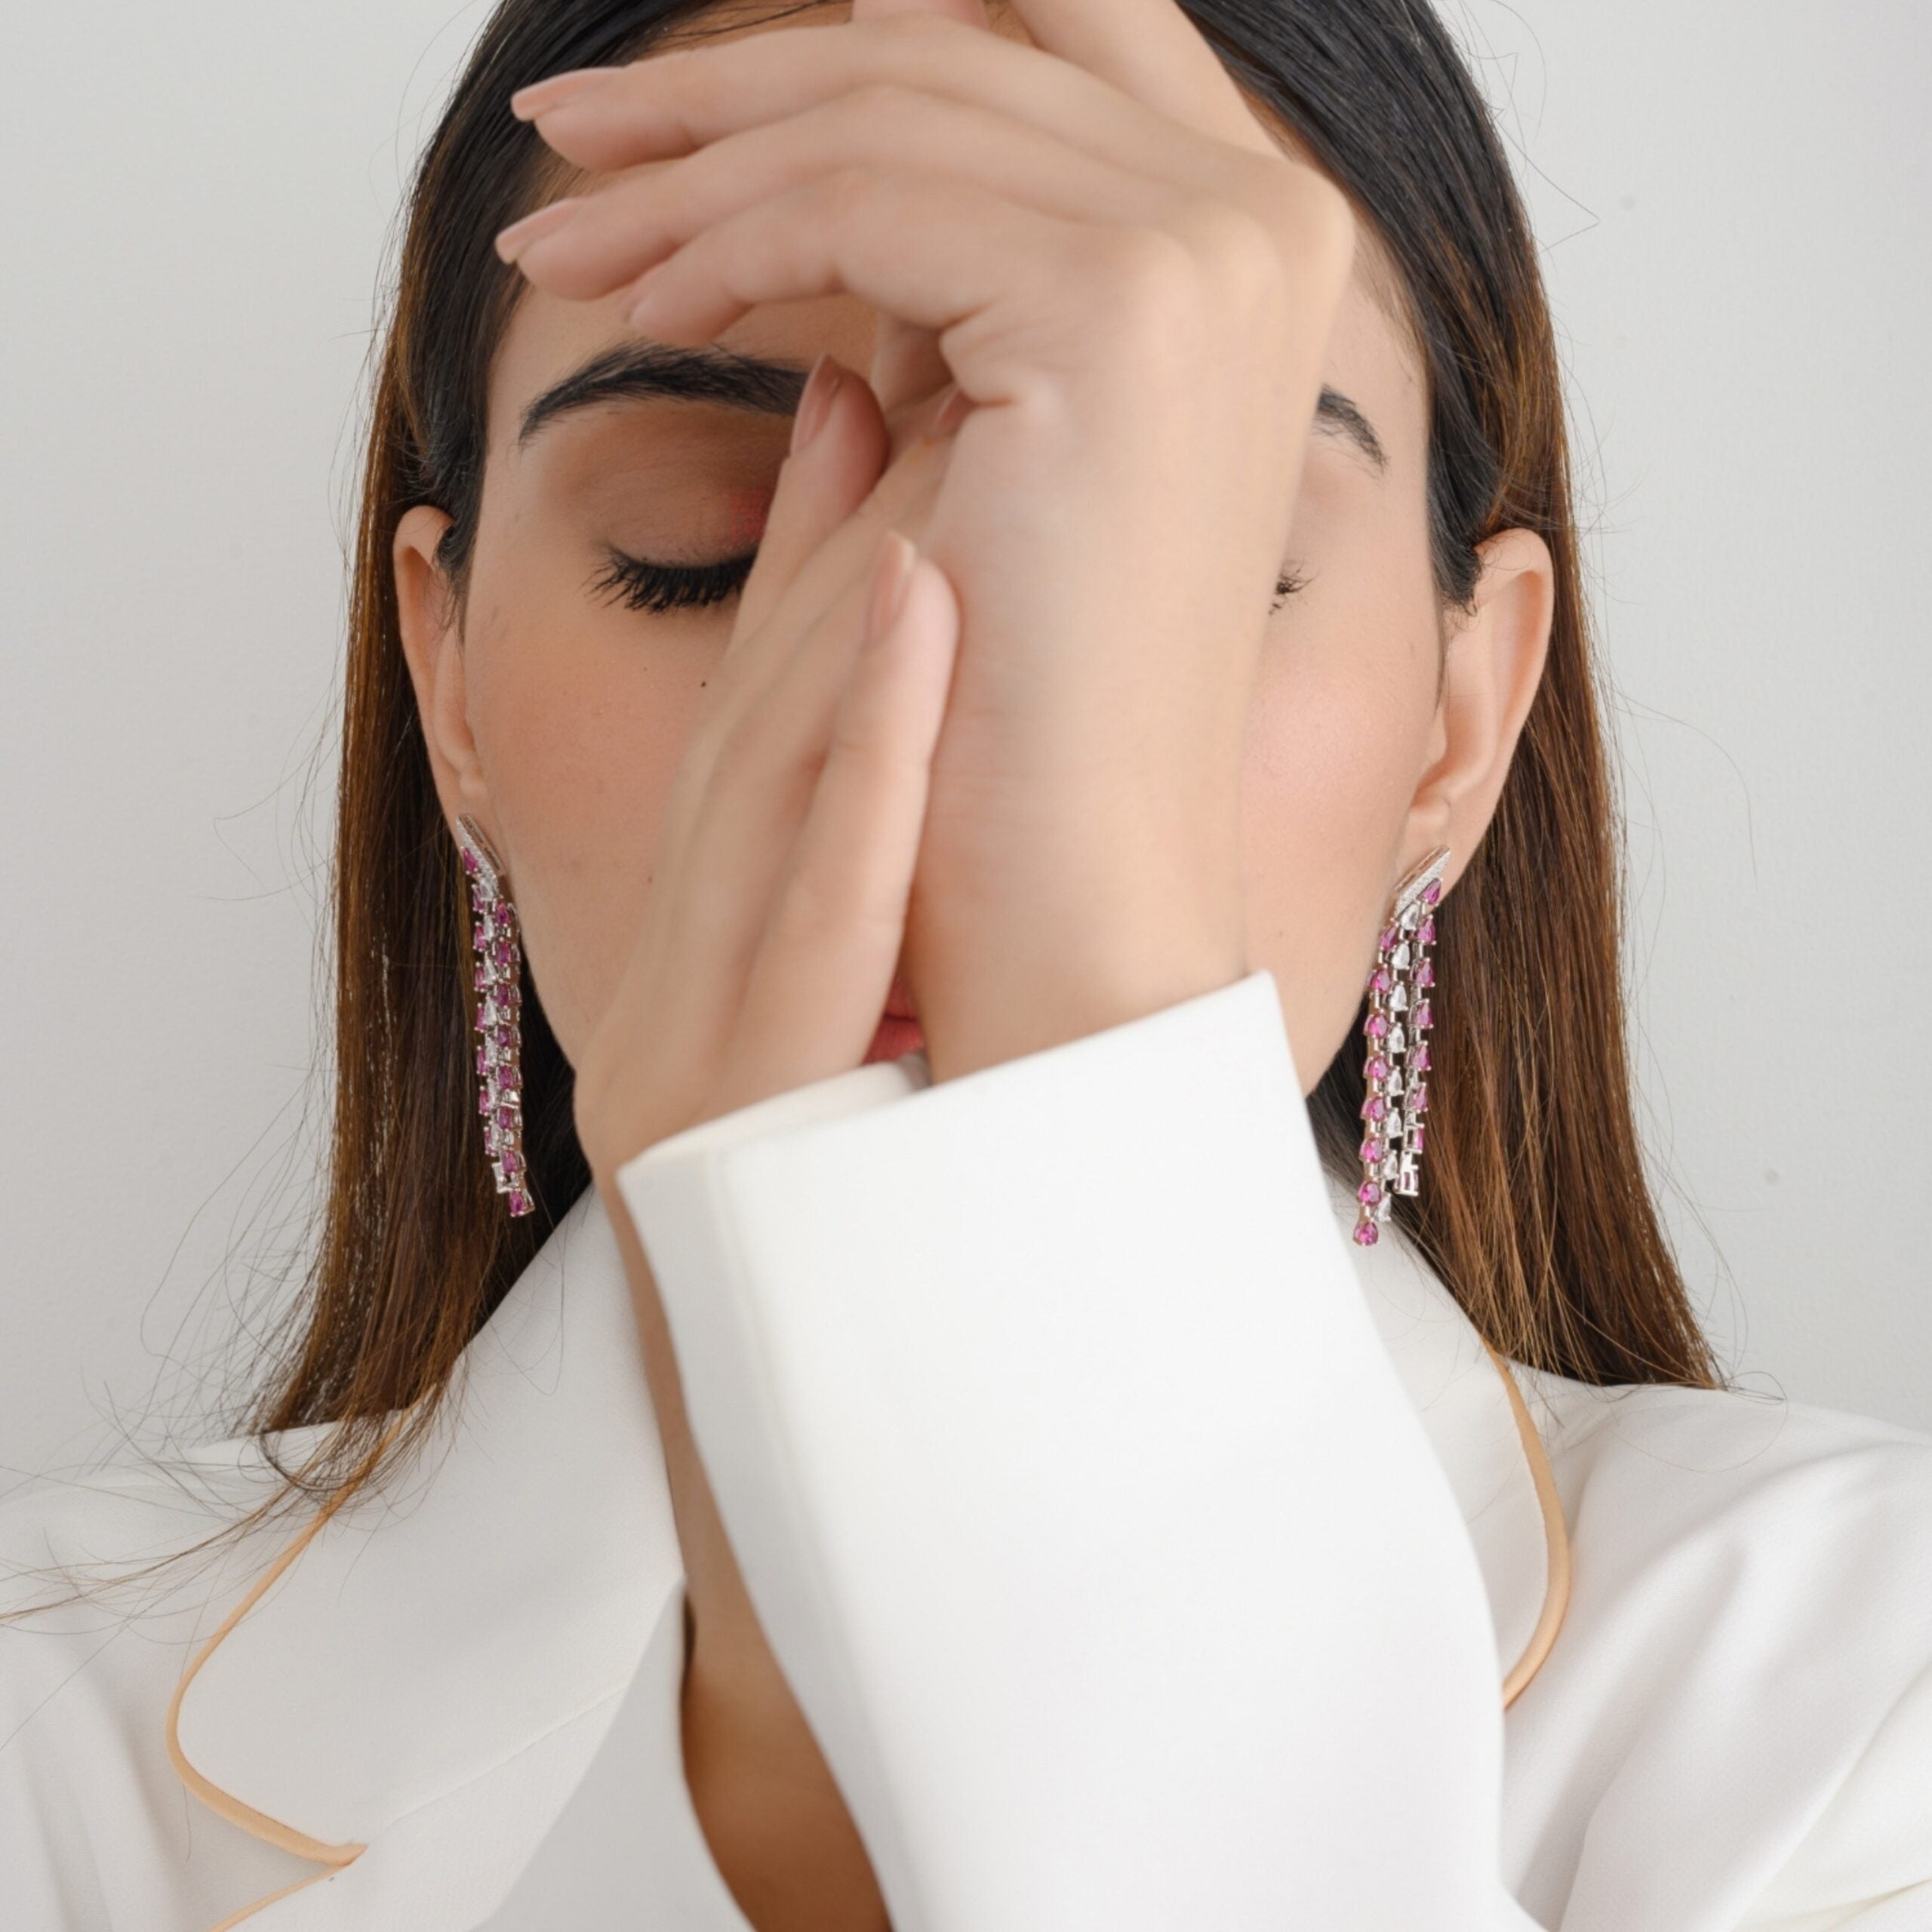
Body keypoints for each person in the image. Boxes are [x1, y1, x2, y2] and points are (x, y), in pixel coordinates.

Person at [5, 0, 1928, 1927]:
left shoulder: (1851, 1675)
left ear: (1459, 716)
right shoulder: (44, 1728)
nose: (922, 722)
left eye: (1183, 566)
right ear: (451, 689)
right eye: (708, 550)